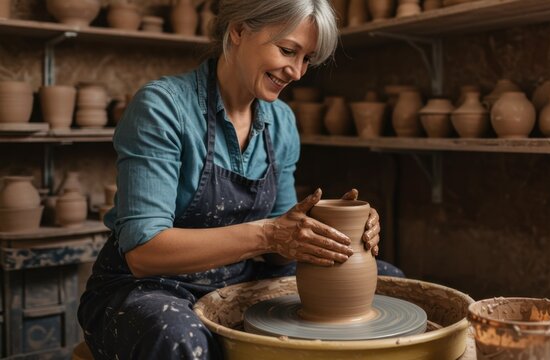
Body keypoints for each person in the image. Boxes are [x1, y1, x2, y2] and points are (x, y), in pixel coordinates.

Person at [77, 0, 403, 358]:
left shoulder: (281, 123)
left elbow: (280, 251)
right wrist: (269, 234)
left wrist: (339, 232)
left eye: (306, 58)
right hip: (150, 286)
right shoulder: (162, 108)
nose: (296, 71)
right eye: (287, 50)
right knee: (178, 339)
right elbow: (144, 252)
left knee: (390, 281)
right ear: (238, 31)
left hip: (239, 278)